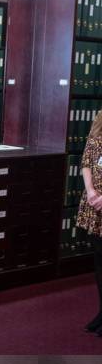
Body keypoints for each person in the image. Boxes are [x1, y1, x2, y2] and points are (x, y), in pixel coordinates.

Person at [76, 110, 102, 336]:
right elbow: (86, 162)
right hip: (95, 206)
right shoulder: (98, 125)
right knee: (99, 262)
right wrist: (91, 191)